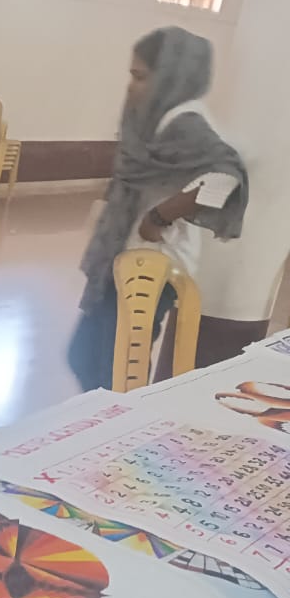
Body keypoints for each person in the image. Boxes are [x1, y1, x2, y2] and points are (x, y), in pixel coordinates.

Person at [69, 27, 248, 392]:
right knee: (87, 357)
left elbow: (226, 175)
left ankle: (116, 423)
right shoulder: (155, 116)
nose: (131, 86)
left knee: (116, 368)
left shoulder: (185, 120)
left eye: (140, 76)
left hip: (152, 265)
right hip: (123, 257)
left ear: (170, 76)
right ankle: (104, 417)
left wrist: (160, 215)